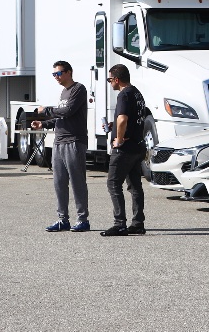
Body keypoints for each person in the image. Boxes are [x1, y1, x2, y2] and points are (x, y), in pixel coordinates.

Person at [32, 61, 90, 232]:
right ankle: (62, 219)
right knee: (59, 182)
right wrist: (44, 124)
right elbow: (61, 117)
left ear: (69, 72)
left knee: (77, 182)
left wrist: (46, 111)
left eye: (59, 73)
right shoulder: (63, 92)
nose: (56, 77)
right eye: (54, 74)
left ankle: (83, 220)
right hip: (59, 142)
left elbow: (68, 111)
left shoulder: (78, 89)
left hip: (74, 141)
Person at [101, 64, 147, 237]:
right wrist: (115, 126)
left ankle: (119, 223)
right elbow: (134, 118)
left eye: (109, 79)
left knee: (113, 183)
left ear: (117, 79)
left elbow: (122, 119)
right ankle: (138, 223)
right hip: (137, 146)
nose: (109, 83)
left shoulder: (124, 94)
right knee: (135, 186)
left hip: (125, 149)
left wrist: (118, 139)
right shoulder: (137, 93)